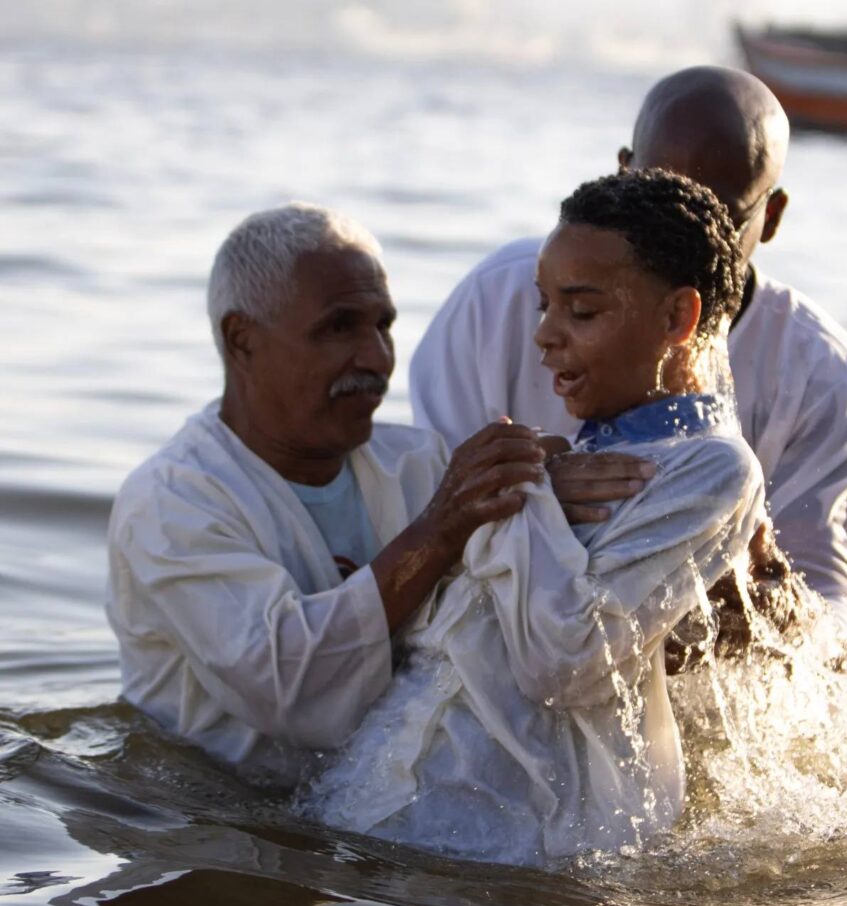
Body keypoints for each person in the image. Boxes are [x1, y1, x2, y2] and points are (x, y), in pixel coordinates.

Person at [303, 170, 764, 866]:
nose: (545, 336)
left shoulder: (712, 469)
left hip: (501, 843)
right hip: (387, 809)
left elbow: (567, 661)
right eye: (544, 306)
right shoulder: (585, 453)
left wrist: (529, 494)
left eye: (581, 312)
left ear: (677, 320)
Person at [410, 66, 847, 663]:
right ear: (623, 174)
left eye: (717, 218)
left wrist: (773, 613)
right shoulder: (494, 303)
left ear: (774, 215)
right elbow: (418, 522)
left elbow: (835, 626)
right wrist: (530, 495)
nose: (683, 243)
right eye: (655, 201)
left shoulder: (820, 375)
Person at [106, 202, 549, 779]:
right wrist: (437, 533)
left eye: (383, 325)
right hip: (212, 822)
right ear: (242, 340)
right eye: (339, 327)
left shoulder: (419, 464)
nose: (377, 359)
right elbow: (285, 687)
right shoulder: (170, 503)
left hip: (367, 805)